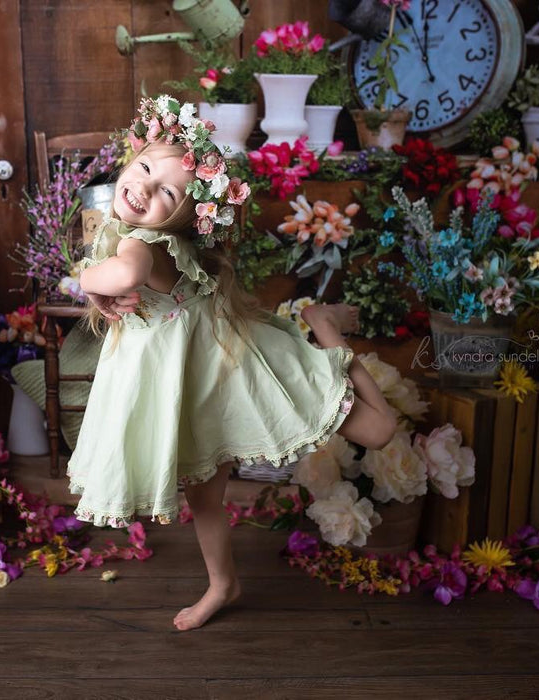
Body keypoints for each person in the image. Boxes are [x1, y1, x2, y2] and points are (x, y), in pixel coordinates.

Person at [67, 96, 397, 631]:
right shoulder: (132, 234)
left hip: (242, 370)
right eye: (146, 168)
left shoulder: (142, 244)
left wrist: (84, 280)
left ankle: (326, 328)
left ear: (180, 219)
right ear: (133, 154)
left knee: (380, 432)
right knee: (204, 497)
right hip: (203, 386)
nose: (145, 188)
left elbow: (124, 275)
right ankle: (224, 585)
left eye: (166, 192)